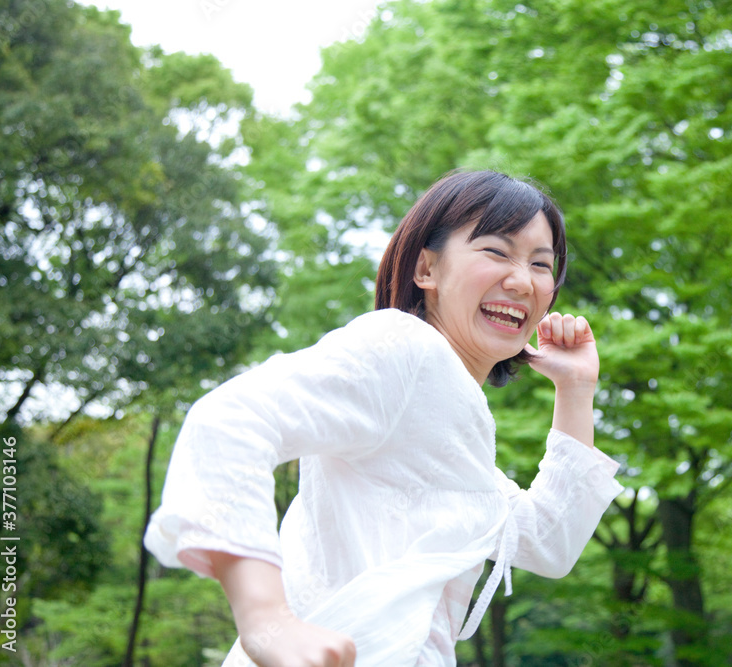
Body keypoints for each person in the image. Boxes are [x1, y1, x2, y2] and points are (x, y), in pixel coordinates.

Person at [144, 170, 624, 667]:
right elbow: (229, 420)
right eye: (496, 252)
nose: (522, 281)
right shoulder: (405, 350)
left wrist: (575, 389)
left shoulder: (456, 431)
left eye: (541, 264)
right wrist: (266, 619)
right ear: (426, 268)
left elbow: (549, 541)